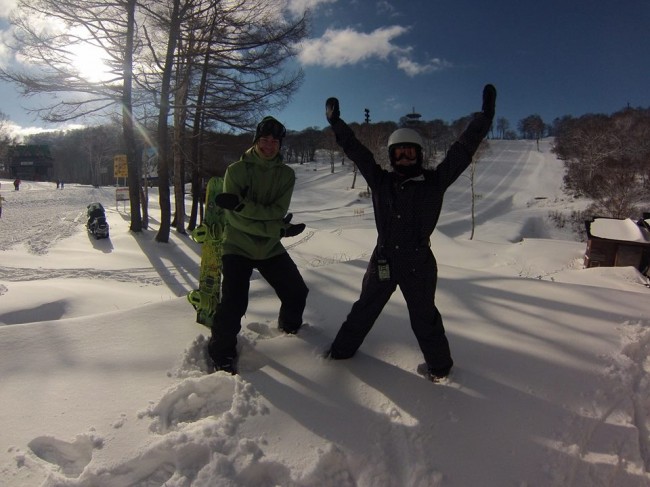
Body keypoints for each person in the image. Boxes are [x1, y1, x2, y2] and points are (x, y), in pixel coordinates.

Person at [324, 84, 497, 381]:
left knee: (425, 318)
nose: (405, 157)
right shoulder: (381, 182)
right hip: (384, 260)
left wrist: (484, 119)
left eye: (410, 152)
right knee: (364, 309)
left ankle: (440, 369)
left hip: (419, 263)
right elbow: (358, 153)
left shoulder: (434, 182)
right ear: (392, 156)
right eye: (399, 152)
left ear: (419, 155)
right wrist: (337, 125)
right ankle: (339, 355)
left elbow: (463, 150)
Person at [207, 116, 309, 373]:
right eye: (264, 139)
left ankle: (289, 330)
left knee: (297, 291)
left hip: (270, 247)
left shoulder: (286, 175)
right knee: (234, 302)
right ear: (256, 141)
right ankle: (221, 353)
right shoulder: (237, 171)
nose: (269, 145)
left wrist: (244, 206)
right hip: (238, 246)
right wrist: (276, 228)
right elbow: (235, 219)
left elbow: (277, 211)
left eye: (275, 141)